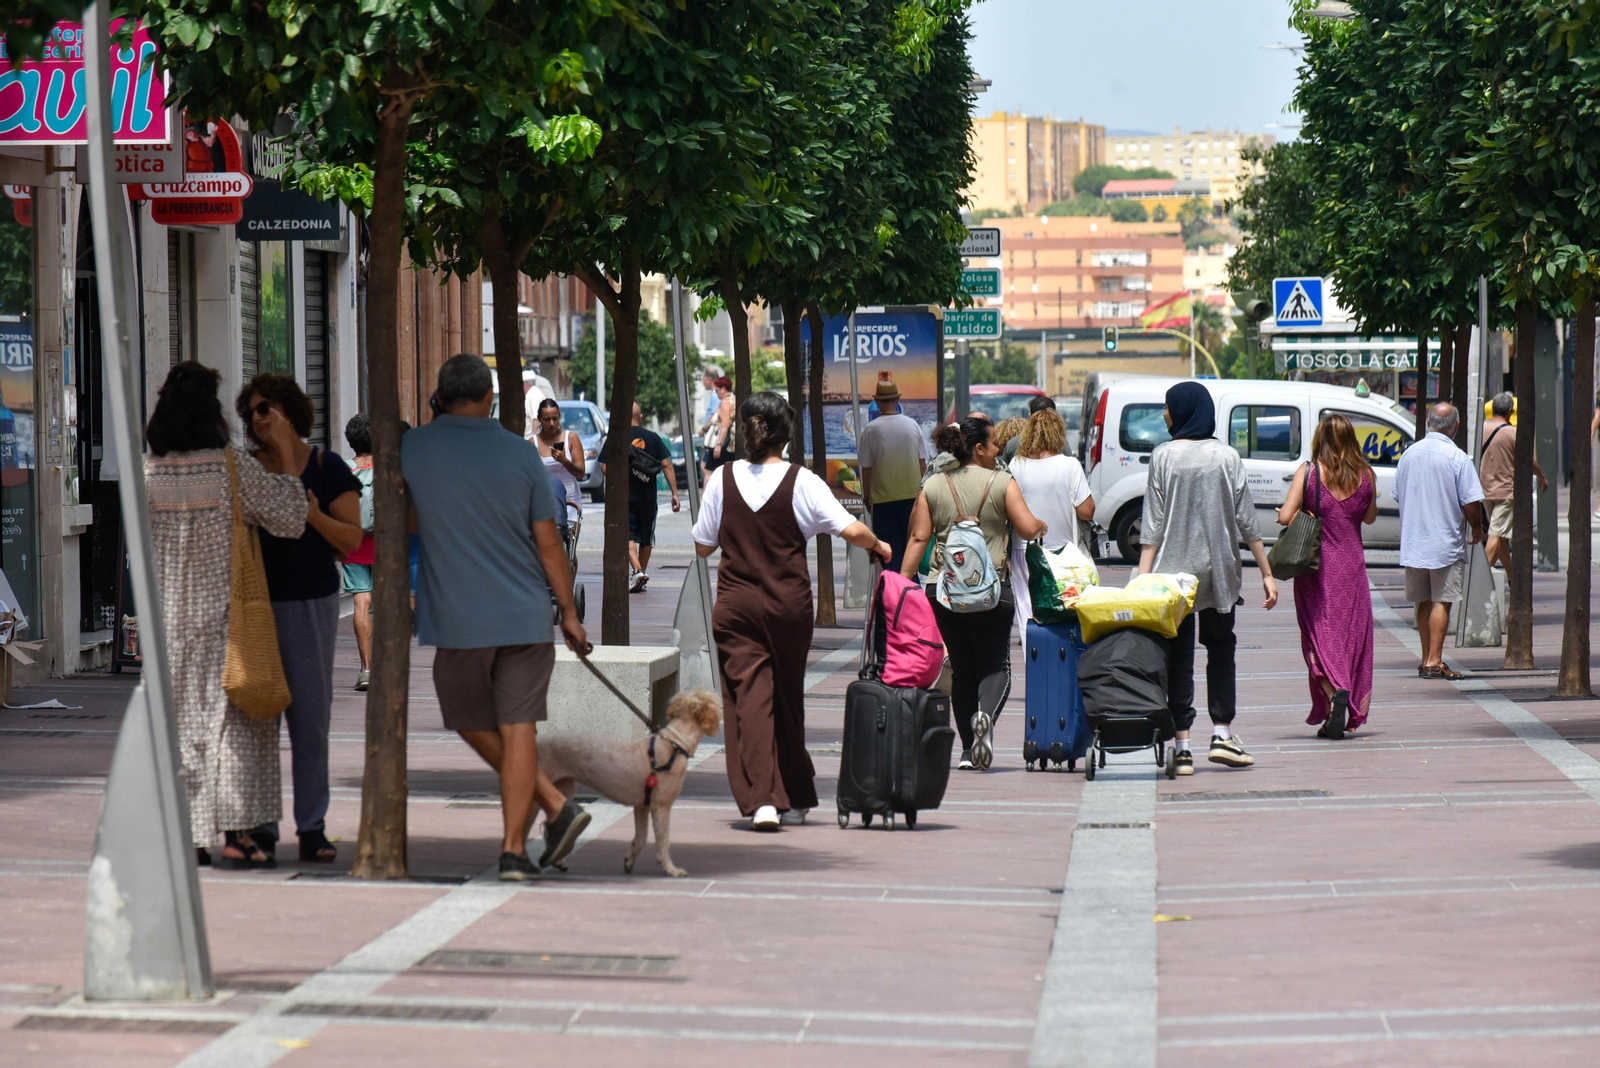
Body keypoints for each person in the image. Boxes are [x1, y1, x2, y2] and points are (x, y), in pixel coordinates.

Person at [403, 354, 590, 879]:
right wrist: (570, 614)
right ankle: (518, 846)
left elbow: (409, 515)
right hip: (527, 612)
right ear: (491, 399)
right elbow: (549, 542)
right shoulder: (522, 454)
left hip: (458, 617)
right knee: (519, 729)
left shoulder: (414, 447)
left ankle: (553, 810)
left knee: (466, 716)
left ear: (438, 397)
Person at [694, 392, 890, 830]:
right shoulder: (804, 482)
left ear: (747, 430)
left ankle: (764, 799)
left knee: (750, 699)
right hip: (788, 608)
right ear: (786, 436)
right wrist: (878, 545)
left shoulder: (721, 479)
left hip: (737, 607)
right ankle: (794, 797)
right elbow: (850, 528)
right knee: (785, 697)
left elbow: (703, 545)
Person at [146, 363, 308, 869]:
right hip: (229, 623)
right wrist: (285, 452)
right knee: (236, 727)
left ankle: (185, 833)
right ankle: (239, 831)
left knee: (176, 726)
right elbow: (291, 517)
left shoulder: (145, 474)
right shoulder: (232, 468)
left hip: (164, 624)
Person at [237, 375, 363, 863]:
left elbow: (351, 541)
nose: (256, 419)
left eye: (265, 408)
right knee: (258, 718)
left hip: (310, 603)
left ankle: (312, 826)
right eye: (250, 412)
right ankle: (263, 827)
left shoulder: (326, 466)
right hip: (254, 607)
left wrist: (310, 515)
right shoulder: (245, 469)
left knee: (310, 720)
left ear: (290, 410)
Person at [1138, 382, 1277, 775]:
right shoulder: (1227, 457)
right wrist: (1266, 573)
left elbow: (1152, 526)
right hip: (1219, 573)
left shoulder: (1163, 457)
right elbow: (1247, 521)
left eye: (1167, 408)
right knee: (1221, 650)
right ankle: (1221, 733)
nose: (1164, 416)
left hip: (1172, 578)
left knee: (1177, 659)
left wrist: (1141, 580)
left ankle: (1182, 746)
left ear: (1181, 411)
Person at [901, 417, 1047, 771]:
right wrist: (1042, 526)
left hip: (943, 592)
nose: (998, 450)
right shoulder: (1001, 482)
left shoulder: (933, 485)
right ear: (979, 448)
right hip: (991, 591)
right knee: (996, 666)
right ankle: (985, 715)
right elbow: (1028, 527)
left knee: (962, 669)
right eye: (994, 443)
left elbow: (918, 538)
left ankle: (968, 751)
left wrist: (903, 584)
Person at [1275, 414, 1378, 740]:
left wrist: (1296, 512)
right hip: (1353, 570)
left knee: (1317, 638)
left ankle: (1336, 695)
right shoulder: (1367, 475)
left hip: (1317, 572)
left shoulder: (1309, 473)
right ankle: (1344, 691)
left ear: (1321, 438)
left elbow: (1286, 517)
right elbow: (1371, 518)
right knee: (1350, 640)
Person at [1395, 402, 1485, 680]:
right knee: (1441, 602)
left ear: (1428, 423)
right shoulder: (1457, 457)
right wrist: (1477, 528)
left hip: (1414, 541)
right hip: (1444, 542)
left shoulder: (1409, 455)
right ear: (1455, 426)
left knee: (1422, 601)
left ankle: (1426, 659)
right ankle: (1434, 660)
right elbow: (1471, 502)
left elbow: (1398, 494)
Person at [1008, 407, 1094, 640]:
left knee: (1028, 613)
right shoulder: (1070, 465)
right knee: (1066, 608)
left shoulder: (1016, 464)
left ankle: (1033, 664)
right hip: (1064, 552)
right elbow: (1087, 512)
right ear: (1058, 434)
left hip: (1024, 550)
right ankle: (1063, 659)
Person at [854, 373, 930, 574]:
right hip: (912, 499)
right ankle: (911, 592)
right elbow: (922, 462)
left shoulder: (870, 430)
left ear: (877, 401)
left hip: (882, 501)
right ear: (898, 400)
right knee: (911, 551)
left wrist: (867, 497)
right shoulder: (912, 425)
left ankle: (894, 596)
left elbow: (866, 469)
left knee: (889, 556)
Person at [1479, 392, 1547, 570]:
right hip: (1505, 492)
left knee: (1498, 534)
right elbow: (1529, 461)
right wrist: (1542, 476)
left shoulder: (1479, 430)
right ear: (1510, 411)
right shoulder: (1512, 432)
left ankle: (1510, 576)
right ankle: (1480, 580)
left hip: (1485, 491)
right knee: (1495, 535)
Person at [617, 401, 680, 591]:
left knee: (626, 535)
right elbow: (667, 465)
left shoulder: (618, 437)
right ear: (641, 416)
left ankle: (637, 571)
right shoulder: (653, 438)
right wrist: (675, 493)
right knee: (646, 538)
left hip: (625, 496)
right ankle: (641, 573)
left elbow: (604, 468)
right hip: (648, 496)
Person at [343, 413, 375, 692]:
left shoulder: (342, 469)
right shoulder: (390, 466)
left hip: (354, 543)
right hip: (384, 543)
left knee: (360, 603)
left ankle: (366, 669)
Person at [533, 397, 586, 538]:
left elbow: (581, 473)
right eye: (547, 419)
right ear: (539, 419)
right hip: (546, 503)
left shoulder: (571, 438)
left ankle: (571, 560)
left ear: (559, 417)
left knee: (568, 548)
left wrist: (565, 461)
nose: (552, 424)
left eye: (555, 419)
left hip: (570, 502)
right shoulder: (533, 443)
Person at [1002, 395, 1057, 464]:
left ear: (1030, 416)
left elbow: (1004, 472)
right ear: (1055, 417)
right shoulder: (1062, 445)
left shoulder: (1013, 444)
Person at [697, 364, 724, 478]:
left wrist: (703, 429)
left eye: (703, 379)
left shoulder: (715, 395)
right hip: (714, 439)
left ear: (709, 379)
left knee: (706, 468)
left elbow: (715, 417)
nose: (703, 382)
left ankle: (708, 495)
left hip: (713, 439)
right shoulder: (716, 394)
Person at [705, 376, 734, 471]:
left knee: (709, 471)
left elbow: (725, 425)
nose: (716, 393)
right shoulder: (734, 399)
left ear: (723, 389)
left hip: (724, 443)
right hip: (730, 443)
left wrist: (718, 445)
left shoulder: (725, 403)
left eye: (716, 390)